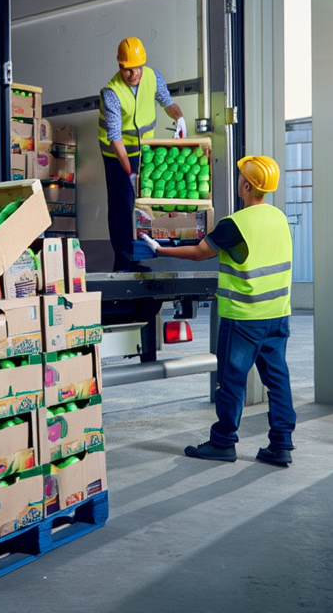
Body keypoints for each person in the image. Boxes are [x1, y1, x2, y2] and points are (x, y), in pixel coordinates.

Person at [140, 155, 296, 466]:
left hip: (244, 318)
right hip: (277, 315)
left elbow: (200, 253)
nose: (238, 181)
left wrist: (158, 248)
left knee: (231, 380)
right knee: (278, 380)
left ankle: (223, 442)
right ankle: (281, 445)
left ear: (247, 186)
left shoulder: (236, 224)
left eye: (241, 178)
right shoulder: (279, 217)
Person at [99, 37, 186, 272]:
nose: (133, 74)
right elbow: (115, 138)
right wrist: (129, 173)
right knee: (122, 204)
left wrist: (179, 117)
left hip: (143, 151)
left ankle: (139, 257)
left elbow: (167, 102)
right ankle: (123, 263)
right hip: (116, 155)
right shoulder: (112, 93)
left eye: (137, 68)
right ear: (120, 66)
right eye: (127, 69)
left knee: (143, 201)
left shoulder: (153, 77)